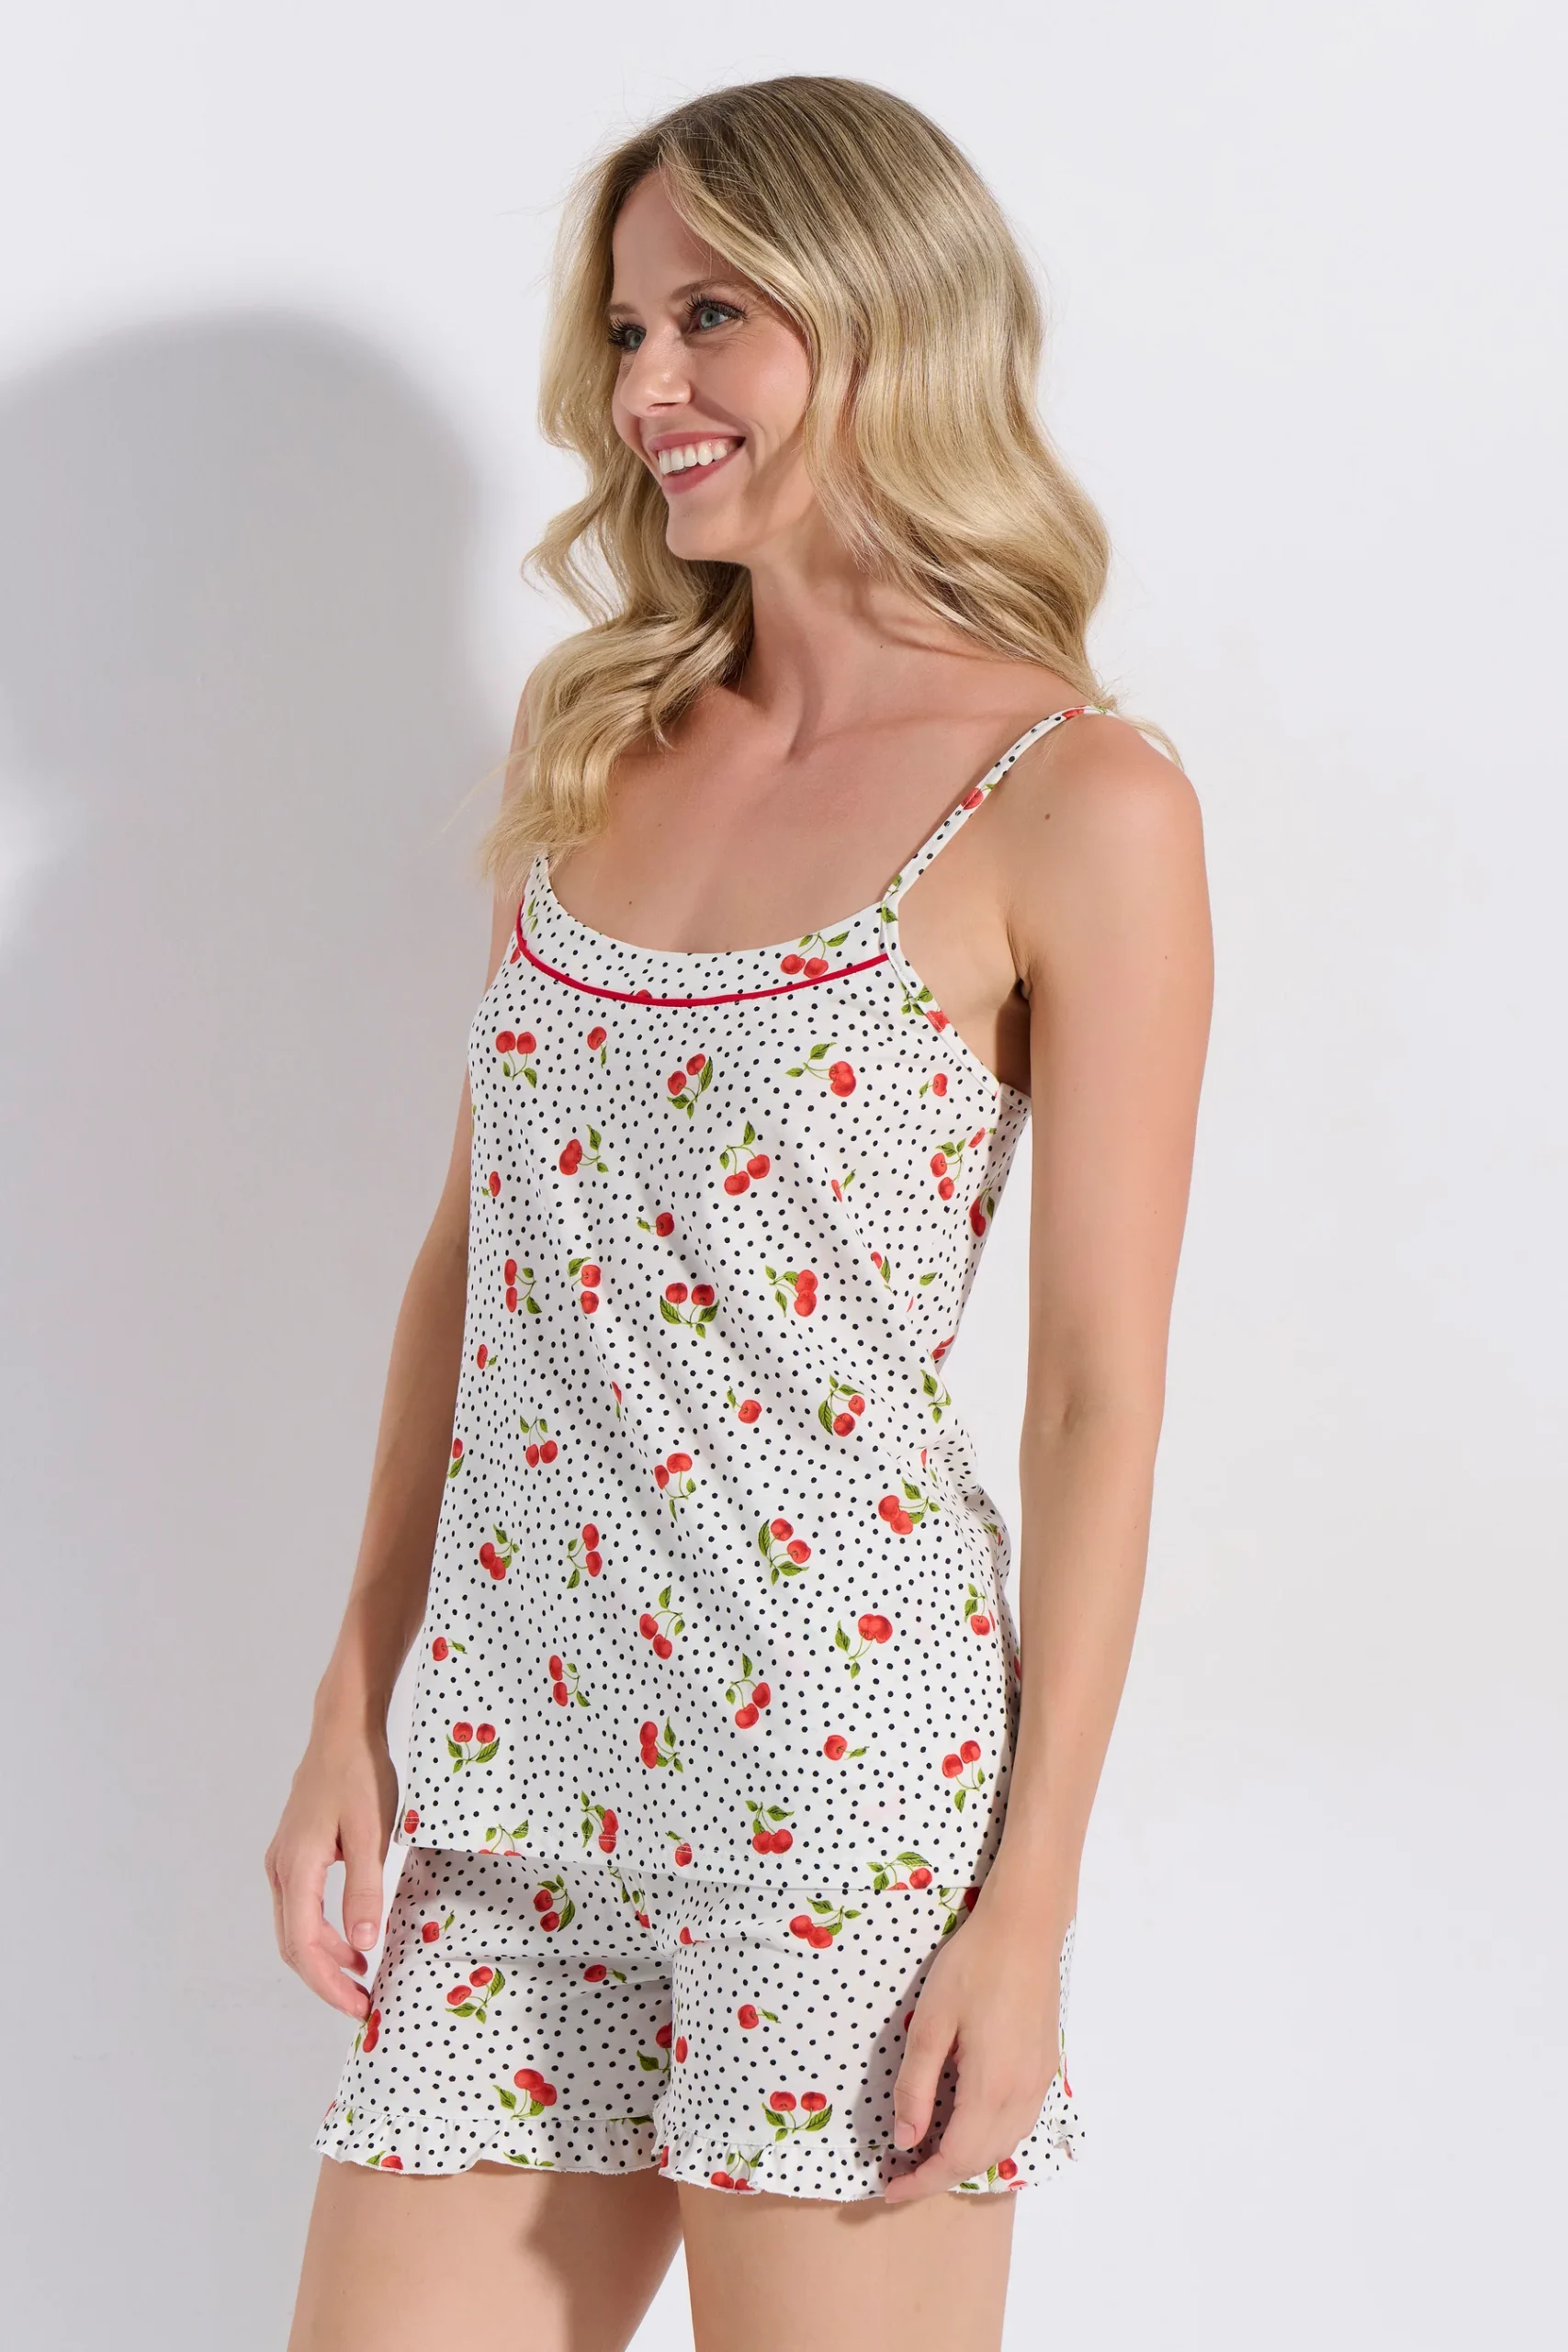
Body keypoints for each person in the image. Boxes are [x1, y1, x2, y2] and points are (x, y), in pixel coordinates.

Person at [268, 73, 1213, 2352]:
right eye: (625, 327)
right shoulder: (596, 736)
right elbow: (473, 1258)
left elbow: (1095, 1398)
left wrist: (1025, 1911)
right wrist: (351, 1702)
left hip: (836, 1781)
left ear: (890, 319)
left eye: (714, 316)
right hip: (510, 1771)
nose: (647, 388)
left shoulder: (1076, 799)